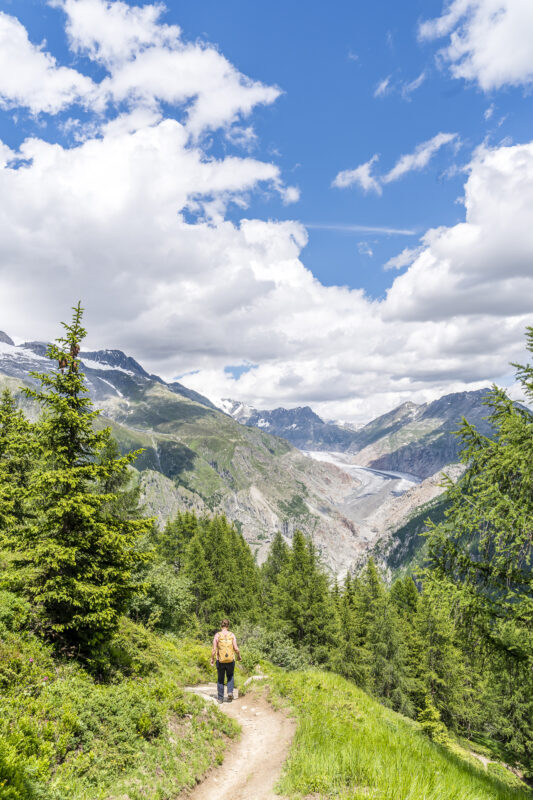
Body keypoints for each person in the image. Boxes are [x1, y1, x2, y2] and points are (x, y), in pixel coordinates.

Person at [210, 618, 241, 703]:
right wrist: (239, 655)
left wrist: (212, 659)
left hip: (220, 661)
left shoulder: (217, 635)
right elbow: (236, 648)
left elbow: (214, 649)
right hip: (231, 660)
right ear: (228, 626)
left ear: (221, 625)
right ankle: (230, 692)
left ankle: (220, 698)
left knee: (220, 679)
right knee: (230, 676)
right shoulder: (232, 635)